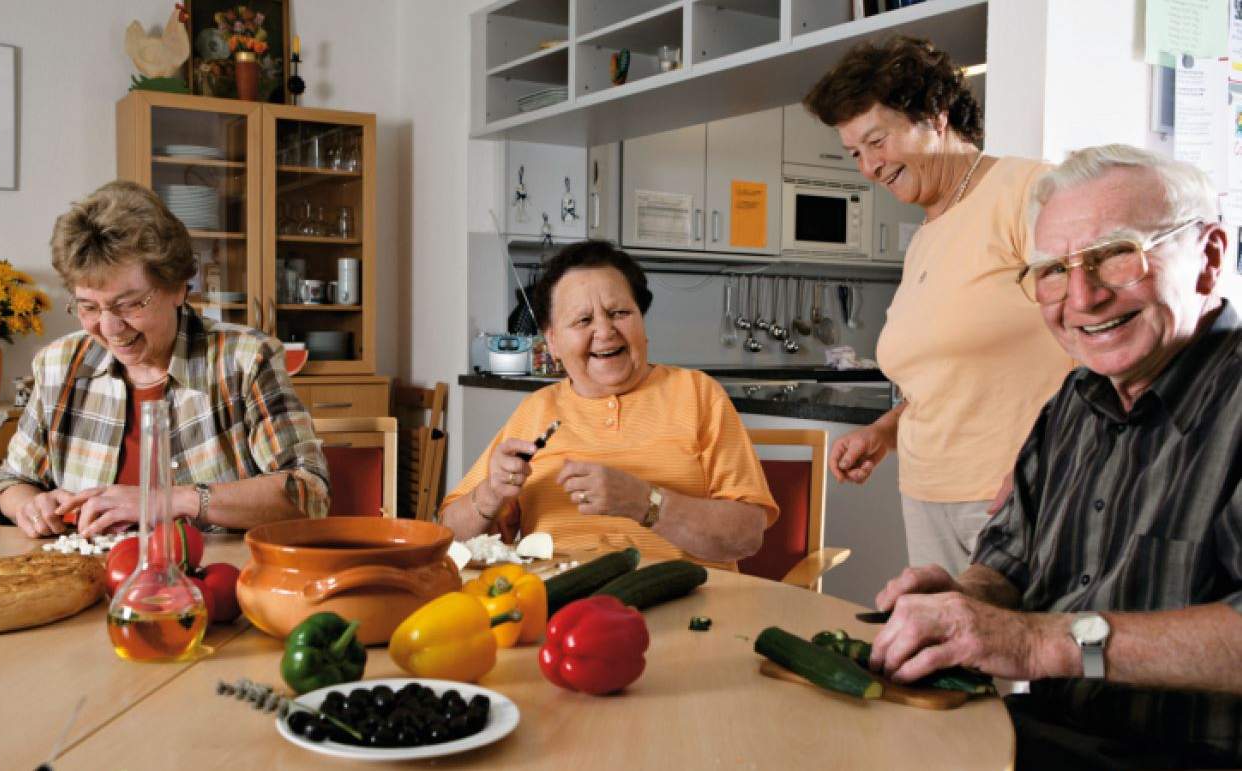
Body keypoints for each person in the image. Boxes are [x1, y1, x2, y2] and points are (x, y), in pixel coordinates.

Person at [868, 145, 1241, 769]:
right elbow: (1008, 561)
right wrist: (967, 600)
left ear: (1209, 258)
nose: (1081, 297)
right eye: (1052, 269)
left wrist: (1041, 645)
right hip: (1051, 737)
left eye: (1116, 255)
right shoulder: (1074, 400)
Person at [803, 36, 1074, 576]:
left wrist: (1046, 470)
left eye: (876, 141)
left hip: (1012, 495)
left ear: (934, 113)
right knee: (948, 657)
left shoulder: (1027, 192)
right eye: (855, 153)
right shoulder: (928, 233)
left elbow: (1092, 343)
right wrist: (884, 433)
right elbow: (949, 377)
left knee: (1017, 656)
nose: (868, 167)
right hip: (928, 495)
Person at [0, 180, 329, 537]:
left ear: (178, 287)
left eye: (129, 304)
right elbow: (13, 483)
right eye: (88, 307)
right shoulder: (58, 365)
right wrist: (31, 505)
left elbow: (307, 494)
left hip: (209, 579)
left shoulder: (244, 360)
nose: (110, 328)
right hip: (89, 579)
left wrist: (169, 500)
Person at [439, 240, 777, 567]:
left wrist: (646, 503)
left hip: (691, 606)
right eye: (583, 321)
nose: (605, 330)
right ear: (553, 342)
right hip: (560, 606)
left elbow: (747, 535)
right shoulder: (536, 411)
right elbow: (449, 535)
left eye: (619, 313)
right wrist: (489, 494)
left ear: (642, 322)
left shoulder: (699, 395)